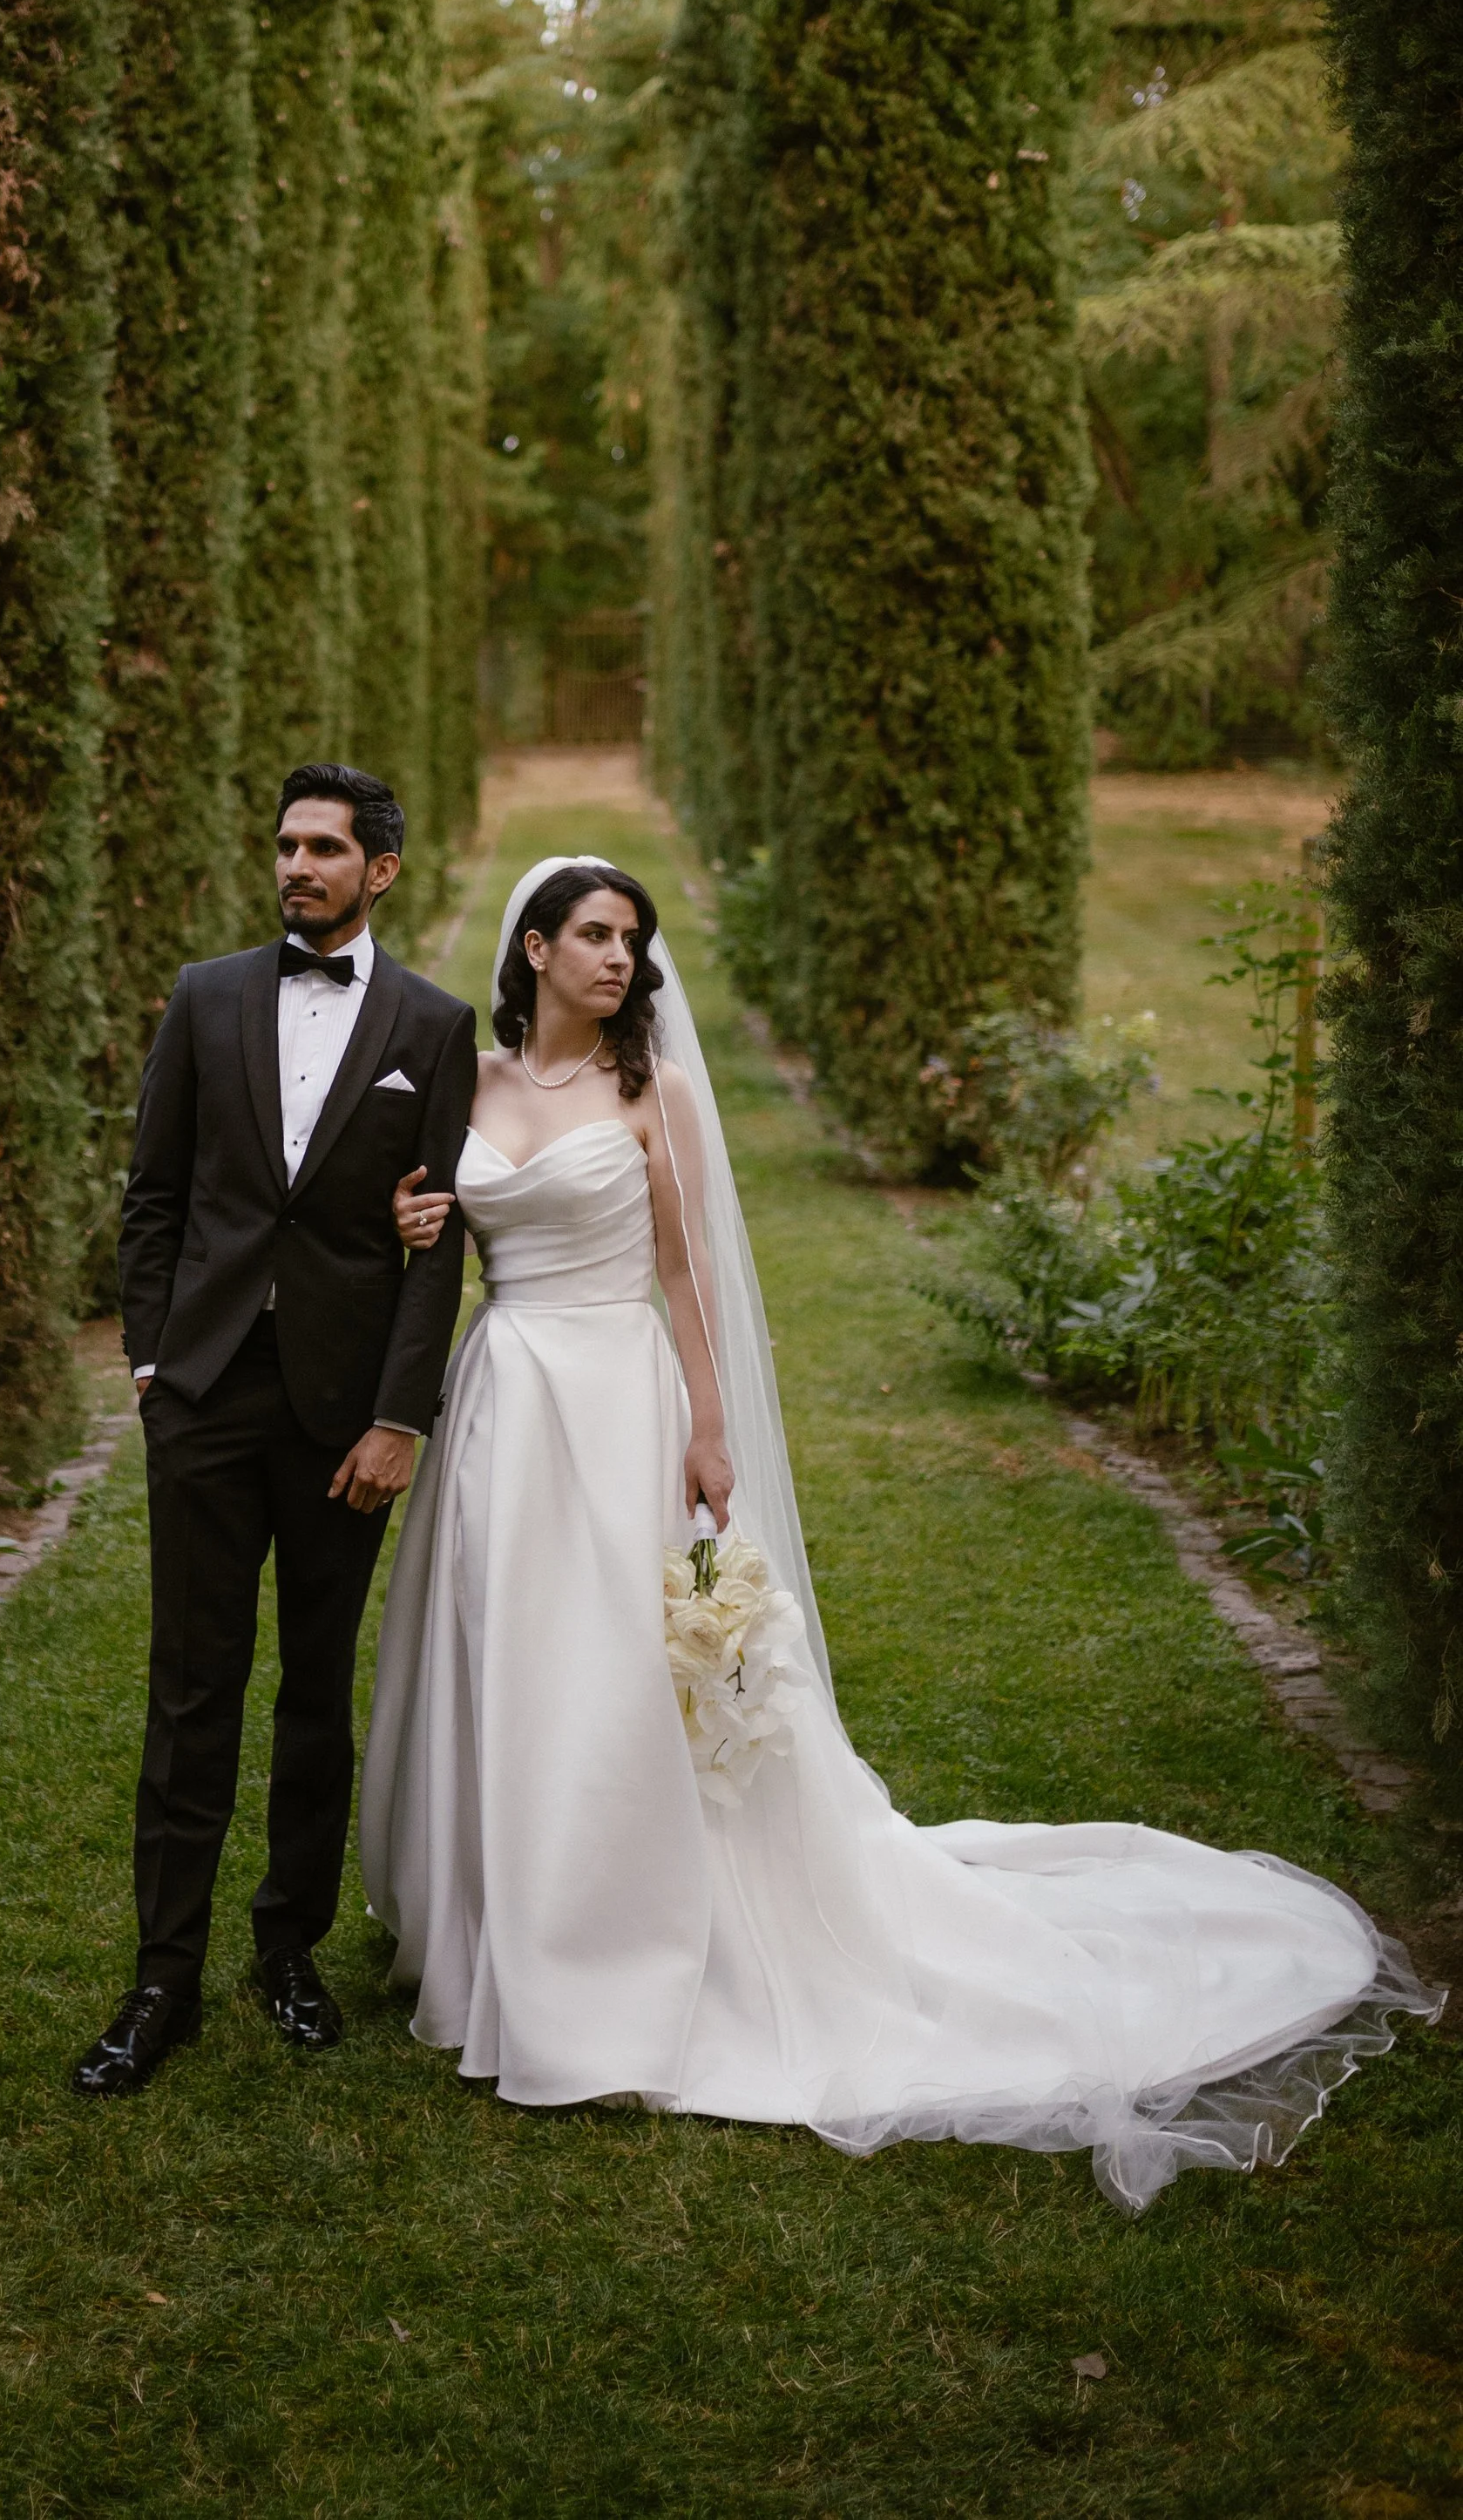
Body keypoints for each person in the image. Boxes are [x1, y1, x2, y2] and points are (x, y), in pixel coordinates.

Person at [359, 856, 1443, 2209]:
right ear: (531, 949)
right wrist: (420, 1214)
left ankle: (616, 1942)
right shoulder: (472, 1080)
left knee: (619, 1672)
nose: (619, 960)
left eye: (631, 939)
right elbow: (439, 1222)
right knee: (507, 1656)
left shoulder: (657, 1093)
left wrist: (707, 1425)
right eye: (593, 936)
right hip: (506, 1403)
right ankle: (492, 1931)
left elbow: (687, 1273)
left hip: (619, 1401)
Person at [73, 763, 477, 2100]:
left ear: (383, 871)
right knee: (191, 1687)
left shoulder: (433, 1024)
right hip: (202, 1398)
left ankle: (287, 1946)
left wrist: (397, 1418)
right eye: (288, 844)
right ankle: (160, 1975)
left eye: (325, 848)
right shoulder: (207, 996)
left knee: (314, 1690)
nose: (298, 865)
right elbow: (156, 1191)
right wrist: (150, 1360)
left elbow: (436, 1248)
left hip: (339, 1418)